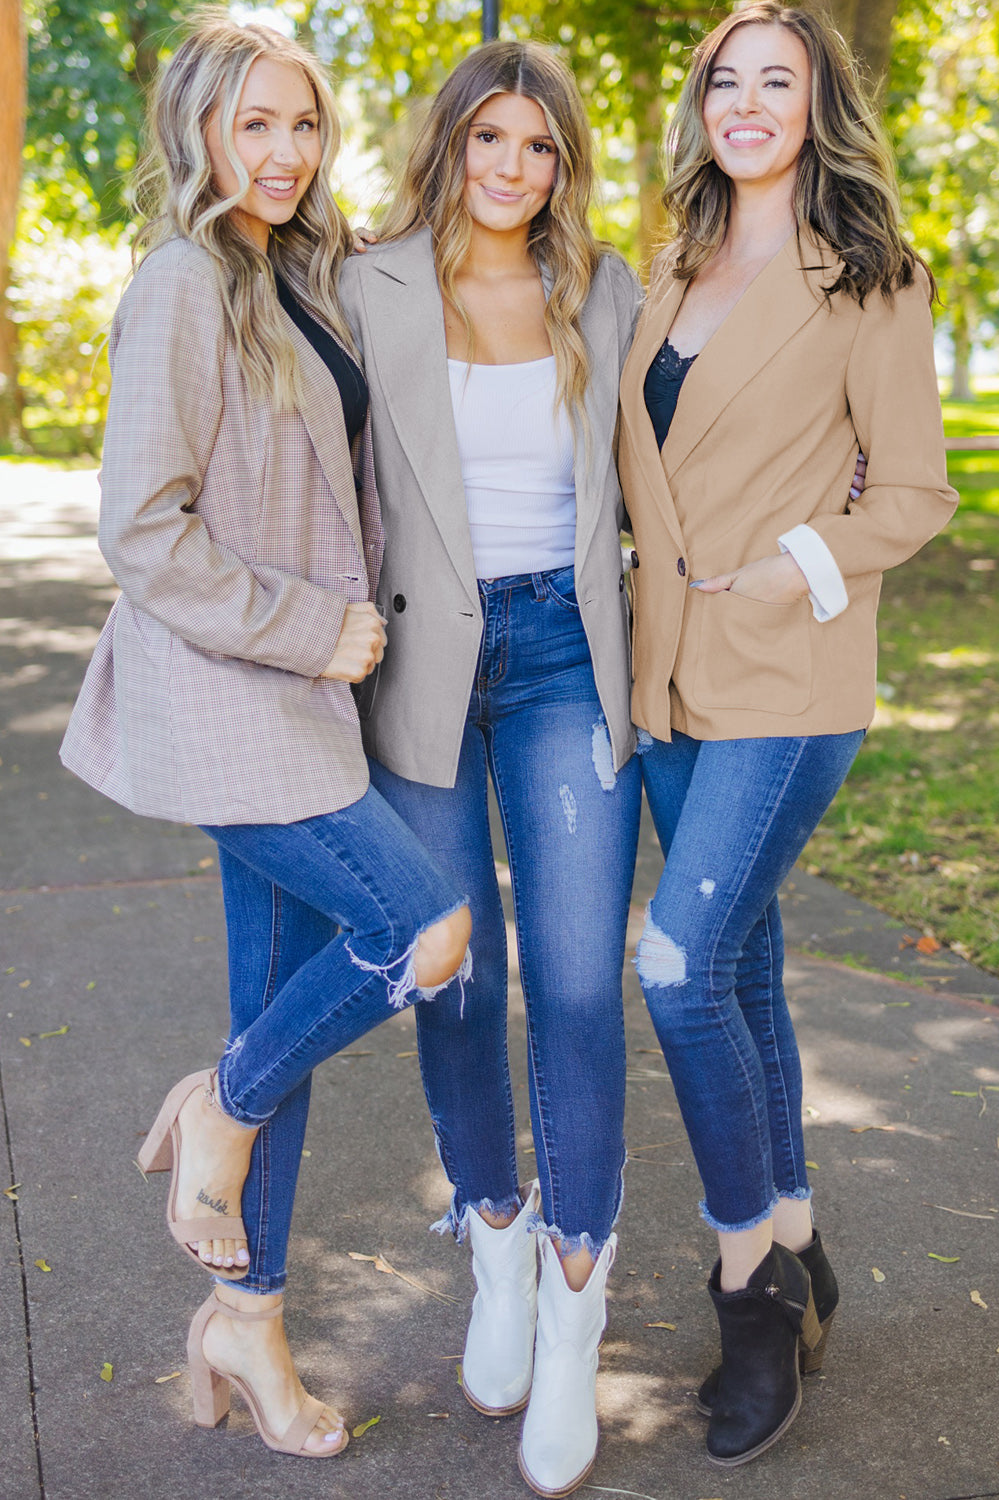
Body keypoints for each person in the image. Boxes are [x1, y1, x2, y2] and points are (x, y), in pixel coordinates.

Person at [59, 14, 471, 1462]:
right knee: (423, 934)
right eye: (256, 126)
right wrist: (312, 628)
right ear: (202, 135)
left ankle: (246, 1316)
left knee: (279, 1008)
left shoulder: (298, 272)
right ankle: (218, 1106)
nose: (285, 152)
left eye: (303, 124)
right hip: (239, 701)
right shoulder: (182, 283)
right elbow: (141, 527)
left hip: (309, 705)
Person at [617, 0, 957, 1469]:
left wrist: (787, 567)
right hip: (665, 684)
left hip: (787, 671)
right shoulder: (665, 264)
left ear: (817, 108)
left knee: (677, 969)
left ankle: (746, 1286)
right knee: (744, 966)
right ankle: (802, 1238)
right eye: (724, 79)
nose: (745, 101)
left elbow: (913, 494)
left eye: (777, 79)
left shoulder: (871, 273)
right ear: (698, 105)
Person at [339, 41, 643, 1497]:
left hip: (564, 661)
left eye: (538, 148)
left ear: (561, 164)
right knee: (458, 971)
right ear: (449, 145)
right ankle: (498, 1243)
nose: (513, 171)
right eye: (489, 143)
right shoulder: (369, 279)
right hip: (419, 669)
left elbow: (679, 458)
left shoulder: (608, 286)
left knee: (579, 983)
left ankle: (579, 1303)